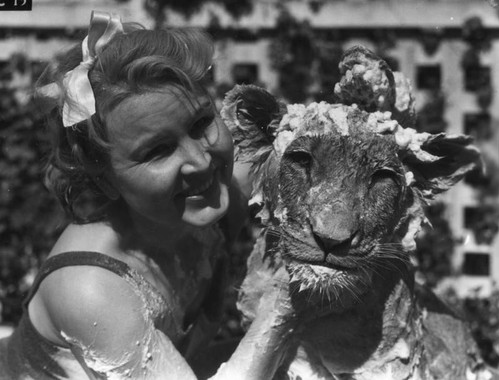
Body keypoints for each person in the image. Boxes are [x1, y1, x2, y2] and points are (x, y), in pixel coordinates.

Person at [0, 11, 297, 379]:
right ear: (105, 180)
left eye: (201, 123)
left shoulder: (217, 191)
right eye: (157, 151)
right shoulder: (91, 287)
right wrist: (287, 299)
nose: (201, 162)